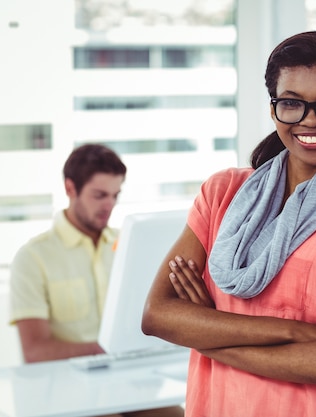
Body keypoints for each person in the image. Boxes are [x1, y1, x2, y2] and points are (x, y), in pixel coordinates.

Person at [141, 31, 316, 417]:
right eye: (292, 104)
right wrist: (296, 332)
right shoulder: (222, 193)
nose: (310, 120)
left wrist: (207, 331)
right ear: (273, 108)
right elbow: (157, 316)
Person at [9, 143, 184, 417]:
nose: (109, 205)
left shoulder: (128, 245)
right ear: (70, 189)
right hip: (69, 396)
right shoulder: (33, 258)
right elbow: (35, 351)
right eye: (100, 195)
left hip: (131, 385)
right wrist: (105, 350)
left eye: (115, 195)